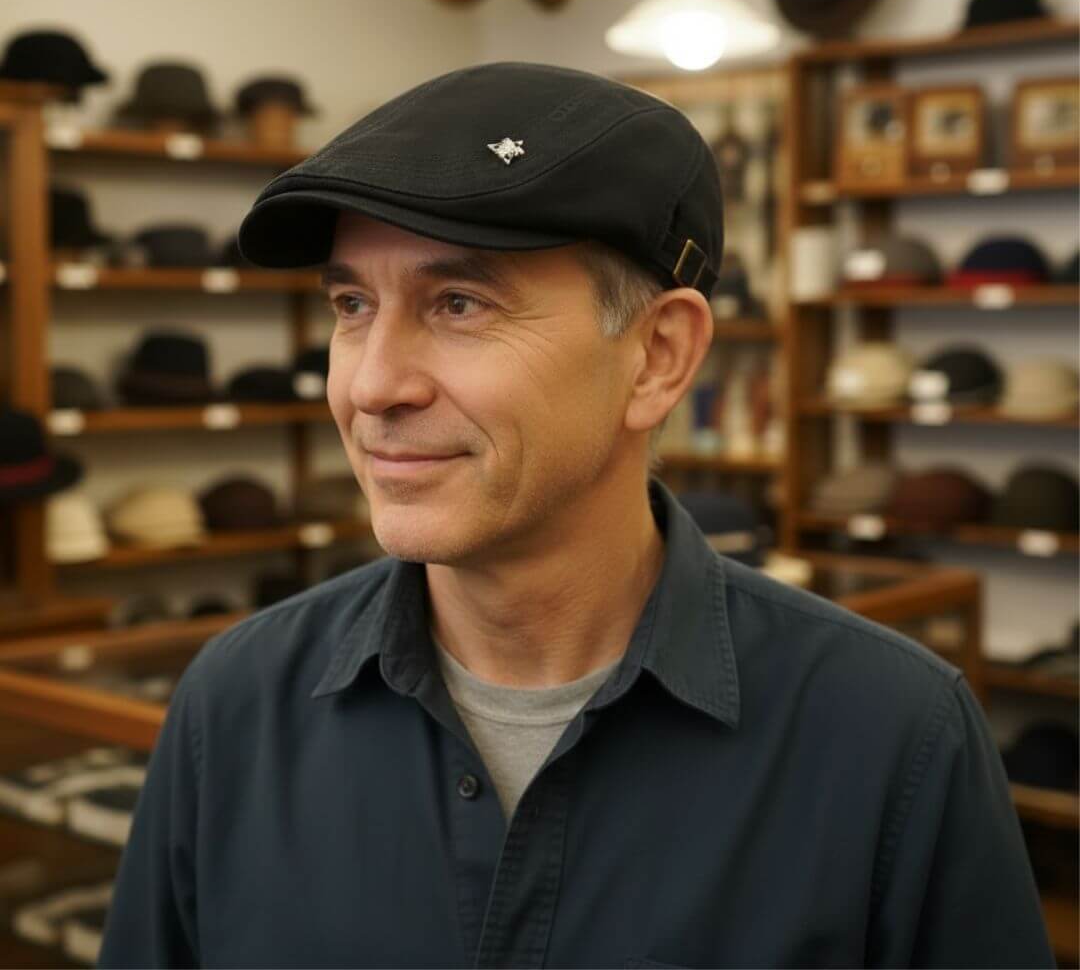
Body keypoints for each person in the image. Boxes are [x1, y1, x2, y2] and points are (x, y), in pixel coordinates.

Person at [98, 63, 1052, 969]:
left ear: (658, 358)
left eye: (459, 303)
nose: (373, 385)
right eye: (352, 304)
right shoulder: (233, 708)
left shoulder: (892, 741)